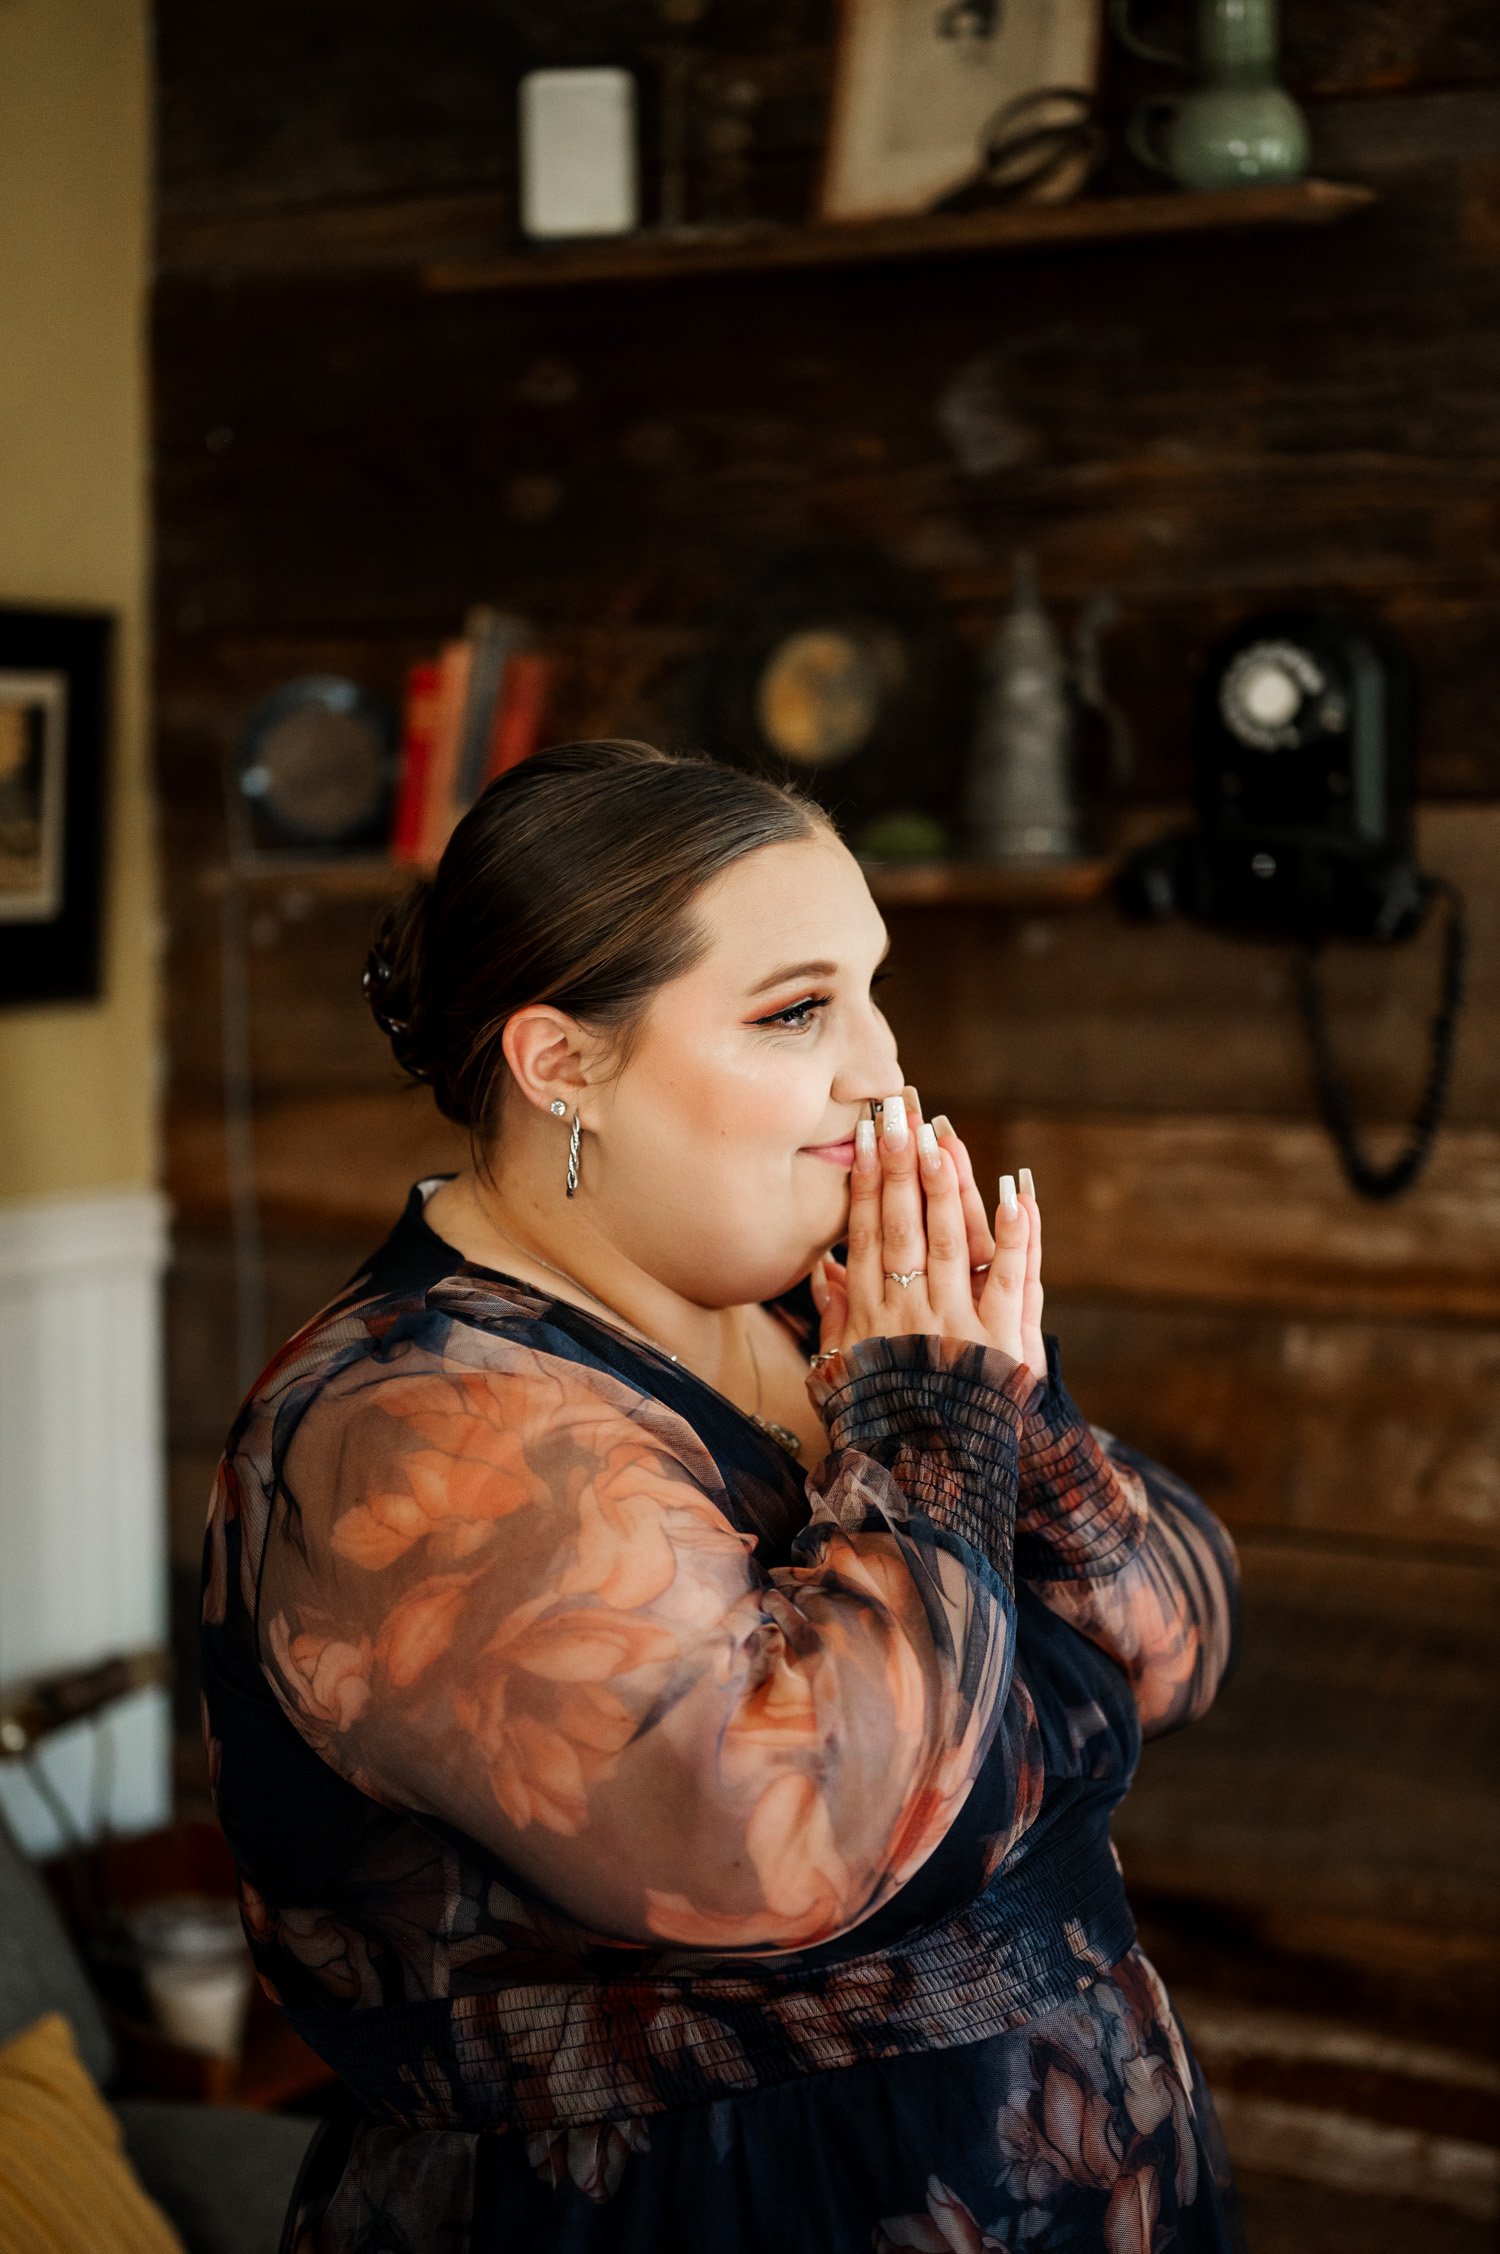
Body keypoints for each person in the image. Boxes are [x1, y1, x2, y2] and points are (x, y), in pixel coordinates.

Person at [200, 738, 1243, 2253]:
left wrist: (1014, 1404)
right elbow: (796, 1832)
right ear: (562, 1063)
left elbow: (1176, 1648)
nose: (882, 1069)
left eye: (873, 990)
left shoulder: (834, 1317)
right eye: (797, 1009)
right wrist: (940, 1426)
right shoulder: (415, 1426)